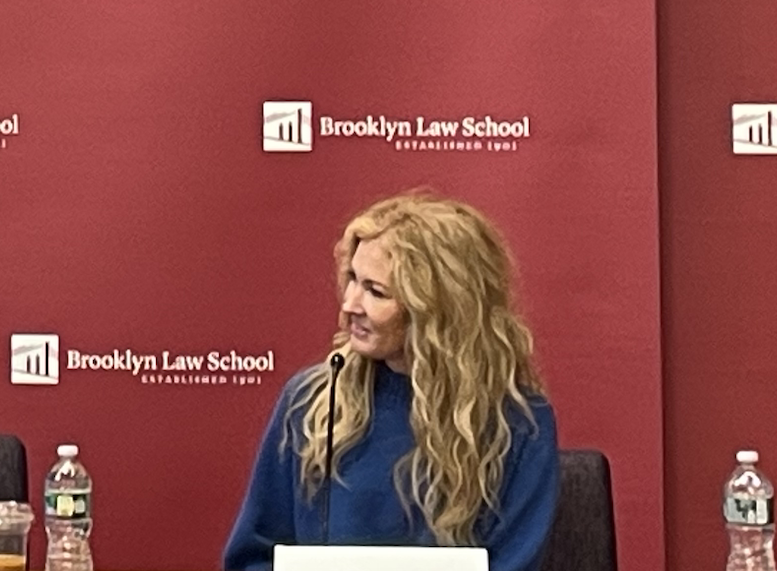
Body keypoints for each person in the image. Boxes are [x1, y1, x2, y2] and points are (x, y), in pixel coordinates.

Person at [223, 193, 559, 571]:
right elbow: (252, 557)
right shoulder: (310, 401)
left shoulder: (517, 423)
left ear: (436, 308)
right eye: (352, 279)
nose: (350, 304)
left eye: (375, 291)